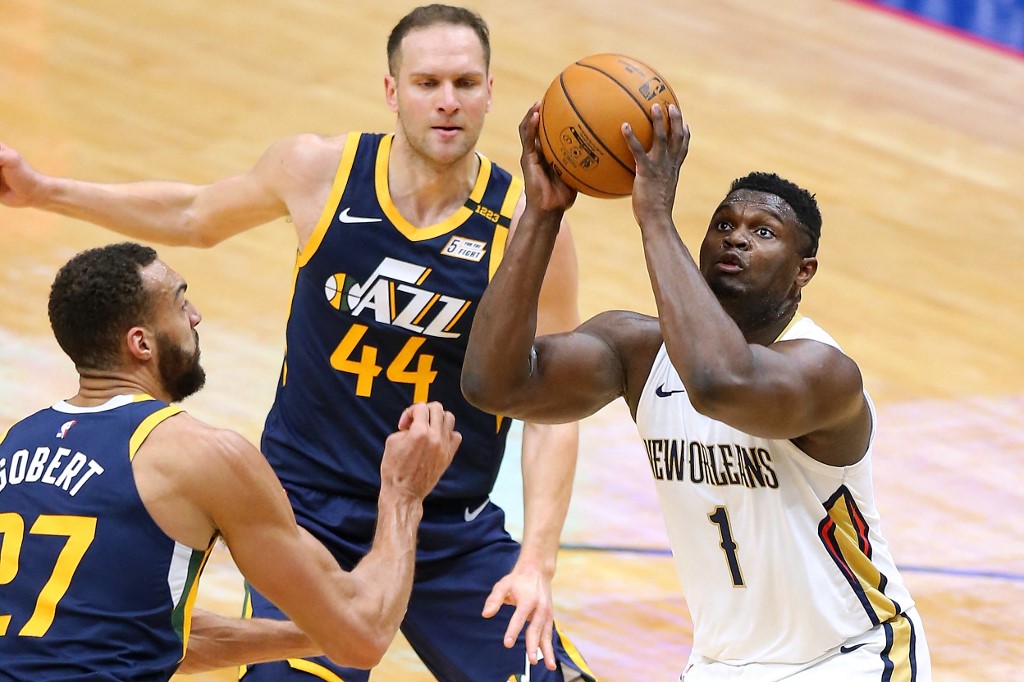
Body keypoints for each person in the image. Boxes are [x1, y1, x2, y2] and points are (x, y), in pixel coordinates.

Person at [0, 5, 594, 681]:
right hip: (310, 514)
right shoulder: (320, 171)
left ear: (490, 91)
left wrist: (536, 562)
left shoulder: (526, 226)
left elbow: (555, 404)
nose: (447, 101)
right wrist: (43, 190)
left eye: (465, 83)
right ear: (392, 90)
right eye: (427, 83)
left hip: (449, 523)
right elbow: (193, 214)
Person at [462, 102, 932, 681]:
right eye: (724, 225)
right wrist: (541, 215)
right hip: (720, 664)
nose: (736, 240)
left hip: (851, 656)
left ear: (804, 271)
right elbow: (493, 384)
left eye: (763, 232)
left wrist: (655, 217)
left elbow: (719, 383)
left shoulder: (824, 372)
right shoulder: (636, 351)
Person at [0, 242, 461, 680]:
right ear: (141, 344)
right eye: (180, 303)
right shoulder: (200, 455)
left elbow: (148, 633)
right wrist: (404, 495)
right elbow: (363, 635)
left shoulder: (15, 444)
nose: (195, 315)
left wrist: (316, 633)